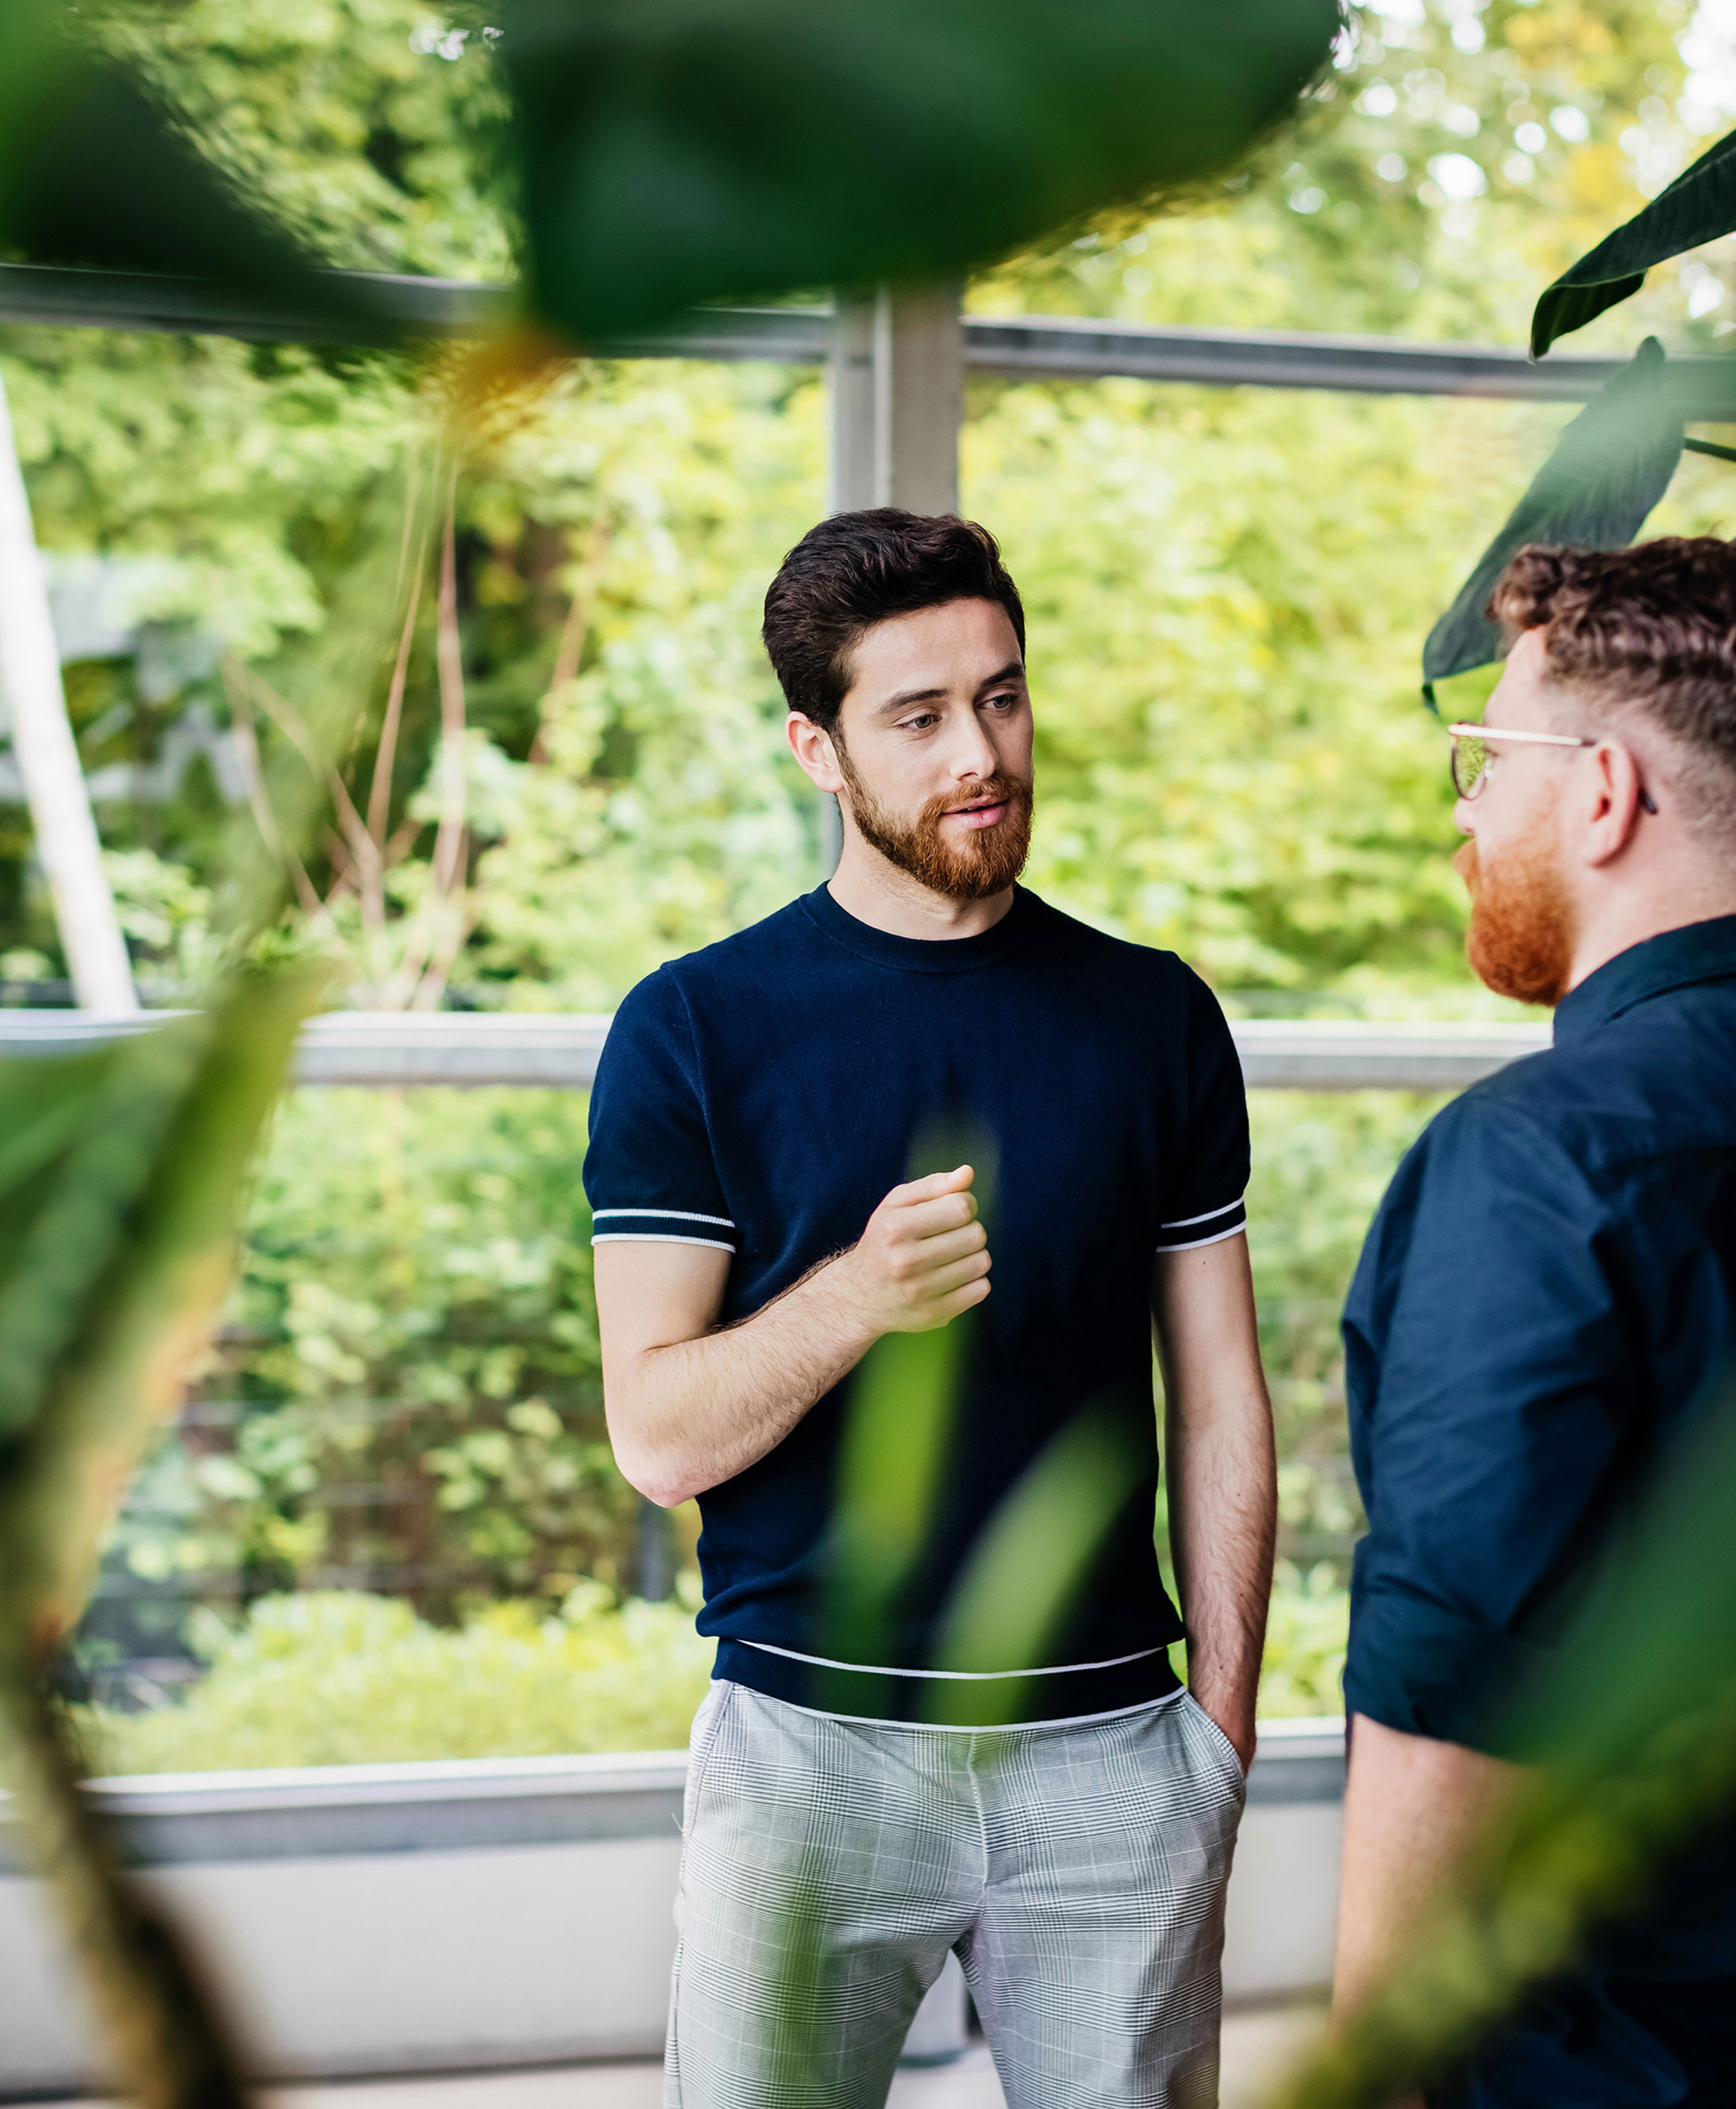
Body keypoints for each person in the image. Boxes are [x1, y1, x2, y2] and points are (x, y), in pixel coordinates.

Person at [586, 509, 1277, 2109]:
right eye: (918, 717)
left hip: (1117, 1755)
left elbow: (1224, 1393)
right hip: (808, 1757)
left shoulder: (1154, 1016)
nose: (982, 753)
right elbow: (654, 1436)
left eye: (1004, 697)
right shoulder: (696, 1028)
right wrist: (853, 1301)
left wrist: (1219, 1742)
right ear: (814, 748)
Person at [1330, 538, 1736, 2105]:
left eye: (1485, 763)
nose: (1469, 814)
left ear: (1604, 791)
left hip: (1593, 2057)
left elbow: (1449, 1694)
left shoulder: (1537, 1160)